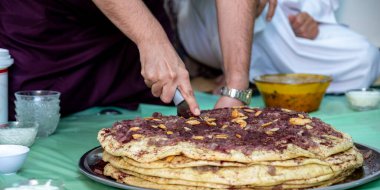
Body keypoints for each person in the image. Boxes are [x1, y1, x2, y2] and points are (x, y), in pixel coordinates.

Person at [0, 0, 275, 120]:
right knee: (30, 117)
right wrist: (151, 40)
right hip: (49, 23)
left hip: (137, 16)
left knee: (157, 117)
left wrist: (236, 87)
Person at [176, 0, 380, 94]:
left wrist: (310, 15)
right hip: (211, 13)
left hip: (285, 21)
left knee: (365, 59)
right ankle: (237, 77)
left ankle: (259, 78)